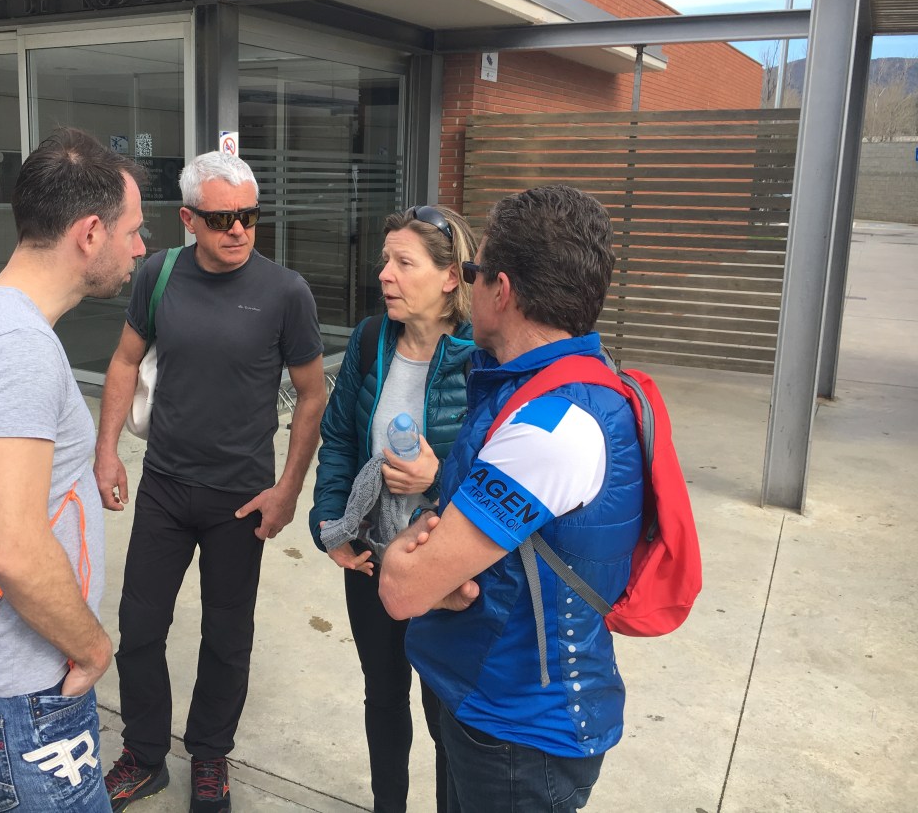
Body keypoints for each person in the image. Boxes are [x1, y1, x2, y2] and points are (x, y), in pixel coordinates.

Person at [378, 186, 644, 813]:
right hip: (487, 700)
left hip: (521, 736)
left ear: (502, 290)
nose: (467, 285)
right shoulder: (530, 388)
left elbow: (403, 589)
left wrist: (407, 555)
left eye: (472, 272)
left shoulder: (552, 427)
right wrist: (441, 553)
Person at [94, 151, 325, 813]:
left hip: (241, 498)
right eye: (222, 219)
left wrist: (288, 490)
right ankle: (144, 755)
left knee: (227, 638)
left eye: (249, 216)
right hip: (165, 486)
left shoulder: (286, 292)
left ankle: (209, 756)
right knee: (139, 627)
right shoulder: (159, 275)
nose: (239, 230)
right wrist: (107, 451)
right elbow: (124, 361)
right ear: (189, 218)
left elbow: (313, 395)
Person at [0, 128, 146, 812]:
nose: (141, 248)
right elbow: (15, 547)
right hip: (21, 692)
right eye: (133, 231)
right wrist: (93, 648)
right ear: (89, 234)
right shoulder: (14, 347)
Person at [309, 204, 476, 813]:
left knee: (445, 712)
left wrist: (440, 476)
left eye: (404, 262)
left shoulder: (482, 357)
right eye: (386, 260)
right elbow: (339, 440)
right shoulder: (370, 339)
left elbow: (504, 475)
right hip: (374, 560)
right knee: (383, 696)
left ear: (450, 276)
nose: (385, 274)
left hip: (443, 565)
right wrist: (332, 526)